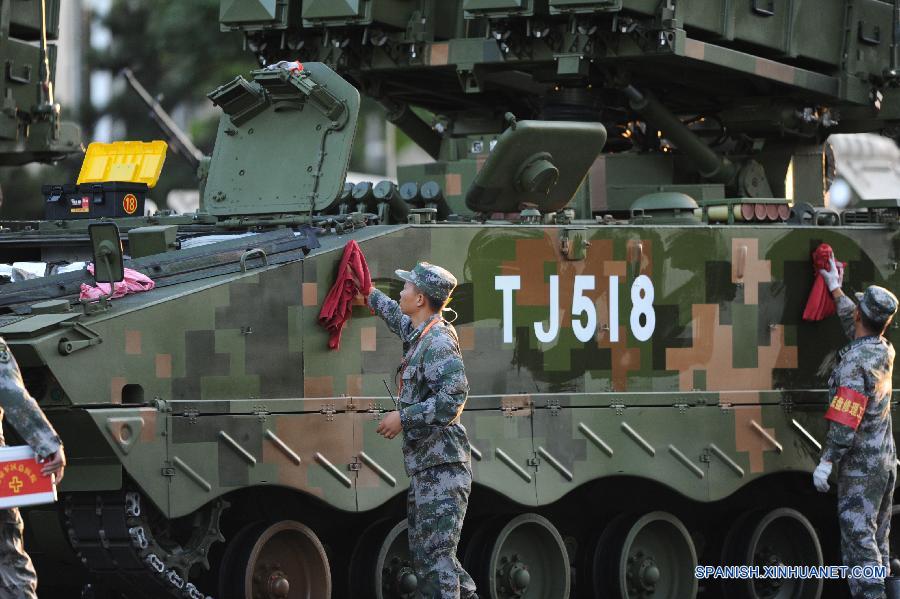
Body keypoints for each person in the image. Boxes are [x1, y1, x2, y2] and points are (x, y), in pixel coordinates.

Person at [358, 261, 477, 599]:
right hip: (429, 468)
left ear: (421, 298)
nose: (402, 291)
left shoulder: (437, 341)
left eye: (407, 287)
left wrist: (403, 417)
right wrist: (368, 292)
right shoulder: (421, 333)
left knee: (434, 566)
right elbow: (396, 316)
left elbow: (453, 397)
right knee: (436, 562)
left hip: (443, 470)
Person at [814, 258, 897, 599]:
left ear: (862, 317)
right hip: (884, 464)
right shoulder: (882, 350)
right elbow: (857, 325)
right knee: (878, 546)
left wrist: (826, 461)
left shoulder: (852, 365)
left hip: (860, 471)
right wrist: (835, 289)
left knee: (861, 551)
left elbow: (845, 420)